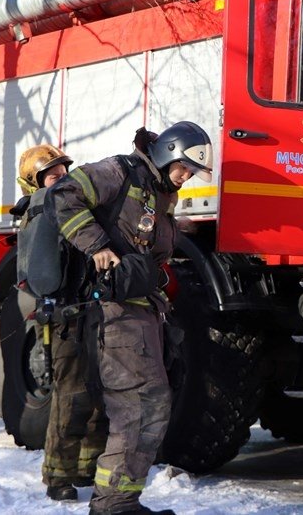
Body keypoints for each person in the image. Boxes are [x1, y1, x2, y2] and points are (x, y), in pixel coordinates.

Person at [49, 122, 213, 515]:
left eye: (192, 172)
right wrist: (98, 247)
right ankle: (115, 505)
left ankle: (117, 501)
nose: (187, 177)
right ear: (169, 152)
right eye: (184, 168)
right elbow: (63, 193)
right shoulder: (121, 172)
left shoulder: (158, 194)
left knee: (148, 406)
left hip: (141, 312)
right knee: (142, 406)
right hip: (116, 313)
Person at [12, 144, 109, 503]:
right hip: (63, 316)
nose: (61, 179)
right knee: (72, 396)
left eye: (64, 172)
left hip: (87, 311)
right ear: (33, 182)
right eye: (52, 175)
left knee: (99, 391)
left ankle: (87, 466)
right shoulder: (43, 212)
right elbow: (47, 274)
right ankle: (57, 476)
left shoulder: (70, 207)